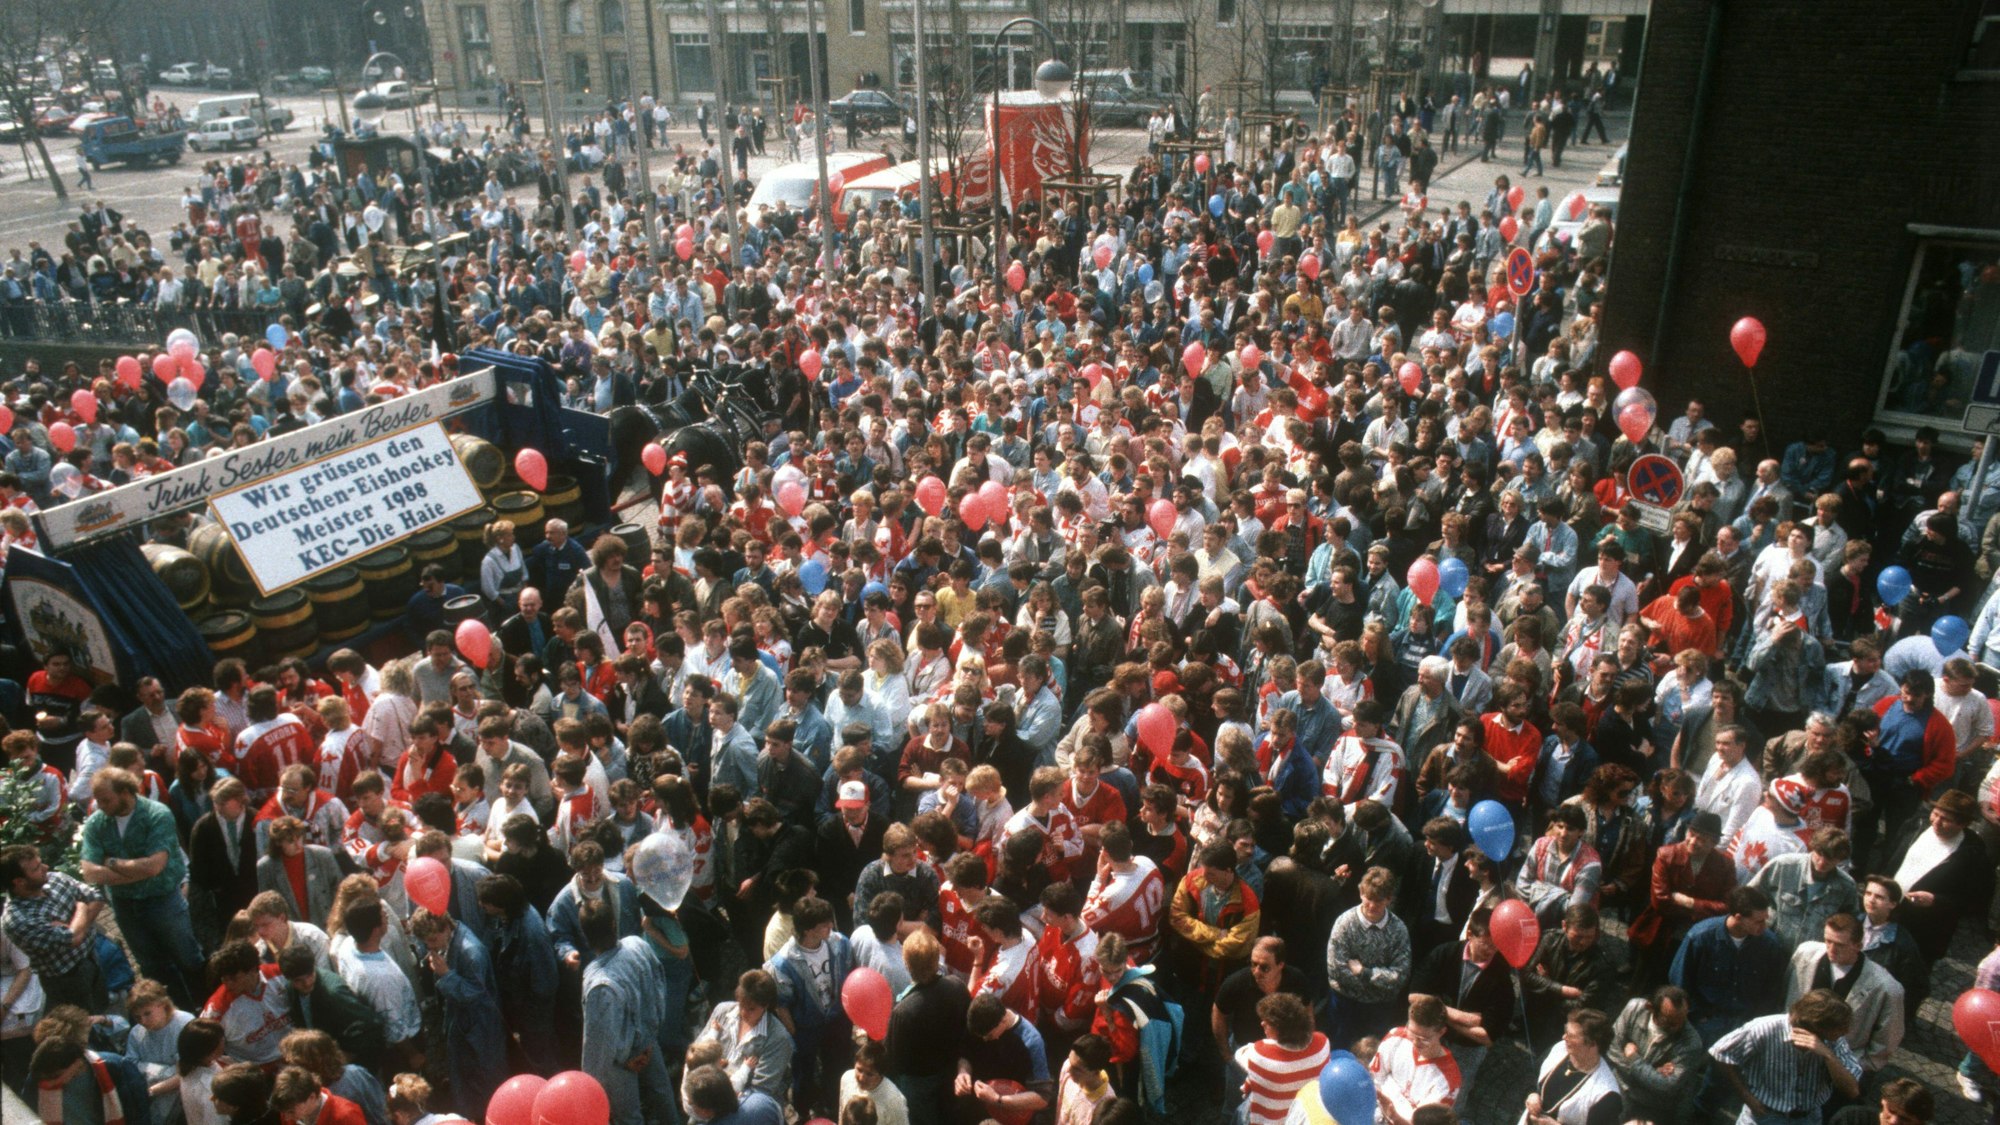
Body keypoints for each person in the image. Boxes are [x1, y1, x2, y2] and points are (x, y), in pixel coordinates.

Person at [79, 767, 204, 1009]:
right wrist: (138, 872)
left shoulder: (156, 815)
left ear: (125, 793)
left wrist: (111, 862)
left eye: (106, 800)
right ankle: (173, 1010)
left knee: (187, 957)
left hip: (163, 900)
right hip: (125, 905)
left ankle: (203, 1003)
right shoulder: (97, 822)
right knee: (150, 965)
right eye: (98, 800)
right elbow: (89, 872)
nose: (100, 805)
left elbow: (155, 866)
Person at [1709, 990, 1863, 1125]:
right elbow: (1720, 1053)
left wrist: (1828, 1055)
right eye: (1839, 1028)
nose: (1846, 1032)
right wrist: (1745, 1095)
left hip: (1809, 1119)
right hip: (1764, 1117)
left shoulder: (1834, 1042)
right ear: (1816, 1026)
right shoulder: (1763, 1028)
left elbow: (1852, 1090)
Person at [1670, 886, 1787, 1048]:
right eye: (1759, 921)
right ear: (1739, 917)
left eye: (1765, 920)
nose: (1764, 926)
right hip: (1705, 1024)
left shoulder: (1770, 945)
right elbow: (1680, 980)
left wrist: (1758, 1022)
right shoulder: (1700, 937)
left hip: (1747, 1027)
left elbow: (1772, 990)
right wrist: (1696, 1015)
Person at [1326, 866, 1409, 1045]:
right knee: (1341, 1049)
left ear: (1389, 899)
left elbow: (1399, 976)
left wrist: (1364, 973)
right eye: (1368, 898)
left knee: (1373, 1052)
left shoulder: (1399, 930)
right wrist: (1378, 984)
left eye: (1378, 901)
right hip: (1345, 1005)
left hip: (1379, 1010)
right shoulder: (1344, 923)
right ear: (1361, 893)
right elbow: (1336, 969)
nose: (1372, 905)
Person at [1606, 987, 1705, 1125]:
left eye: (1682, 1019)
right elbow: (1611, 1046)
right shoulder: (1634, 1008)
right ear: (1650, 1008)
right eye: (1670, 1021)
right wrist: (1652, 1072)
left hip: (1652, 1103)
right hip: (1620, 1085)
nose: (1678, 1026)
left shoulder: (1691, 1042)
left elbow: (1668, 1085)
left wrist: (1635, 1060)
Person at [1520, 1008, 1622, 1125]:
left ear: (1592, 1045)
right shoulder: (1560, 1048)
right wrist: (1532, 1094)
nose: (1564, 1037)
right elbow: (1533, 1077)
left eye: (1571, 1035)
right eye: (1566, 1032)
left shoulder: (1606, 1095)